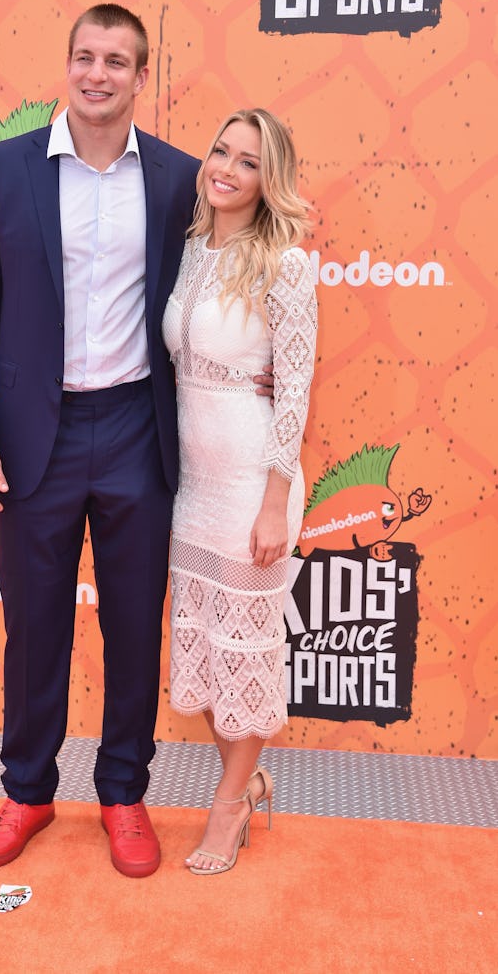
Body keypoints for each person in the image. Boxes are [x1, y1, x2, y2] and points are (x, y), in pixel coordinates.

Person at [0, 4, 273, 878]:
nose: (100, 74)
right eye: (87, 58)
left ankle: (123, 794)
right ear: (68, 66)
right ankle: (26, 790)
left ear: (140, 77)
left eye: (118, 61)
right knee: (35, 626)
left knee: (134, 627)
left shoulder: (174, 178)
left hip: (137, 429)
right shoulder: (3, 170)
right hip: (29, 439)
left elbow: (242, 248)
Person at [162, 108, 317, 874]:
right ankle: (248, 780)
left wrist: (271, 503)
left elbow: (293, 393)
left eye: (248, 161)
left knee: (246, 648)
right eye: (220, 150)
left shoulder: (285, 261)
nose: (225, 167)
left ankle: (227, 808)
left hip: (252, 486)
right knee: (216, 650)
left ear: (270, 178)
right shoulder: (190, 250)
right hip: (191, 486)